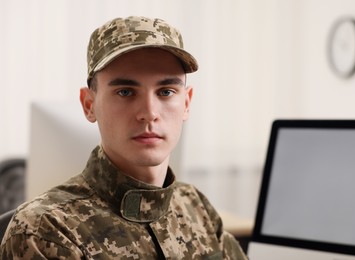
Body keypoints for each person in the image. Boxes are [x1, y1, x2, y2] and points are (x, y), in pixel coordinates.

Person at [0, 16, 247, 259]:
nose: (149, 113)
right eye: (126, 92)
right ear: (89, 105)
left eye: (166, 91)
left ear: (186, 103)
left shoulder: (195, 206)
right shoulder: (47, 230)